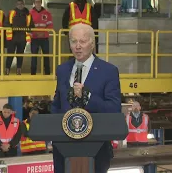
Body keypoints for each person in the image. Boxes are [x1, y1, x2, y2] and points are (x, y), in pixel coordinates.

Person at [51, 23, 121, 173]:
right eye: (73, 41)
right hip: (63, 149)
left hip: (96, 149)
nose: (77, 46)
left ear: (92, 43)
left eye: (82, 41)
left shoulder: (108, 71)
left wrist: (87, 97)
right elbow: (57, 105)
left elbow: (114, 108)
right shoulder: (62, 69)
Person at [5, 0, 34, 75]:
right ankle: (7, 69)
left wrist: (29, 31)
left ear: (23, 5)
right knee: (10, 54)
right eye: (18, 4)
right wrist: (13, 29)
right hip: (12, 37)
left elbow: (31, 25)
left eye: (21, 4)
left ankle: (19, 70)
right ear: (16, 5)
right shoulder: (11, 13)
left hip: (22, 37)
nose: (20, 5)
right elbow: (6, 23)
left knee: (20, 54)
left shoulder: (28, 14)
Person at [30, 0, 53, 75]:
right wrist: (35, 33)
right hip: (34, 38)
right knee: (34, 56)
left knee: (46, 56)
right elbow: (29, 26)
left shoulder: (47, 13)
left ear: (41, 2)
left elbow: (50, 25)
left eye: (39, 2)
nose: (38, 3)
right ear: (34, 3)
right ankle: (33, 74)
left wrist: (43, 32)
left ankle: (47, 73)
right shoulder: (30, 13)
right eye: (36, 2)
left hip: (44, 37)